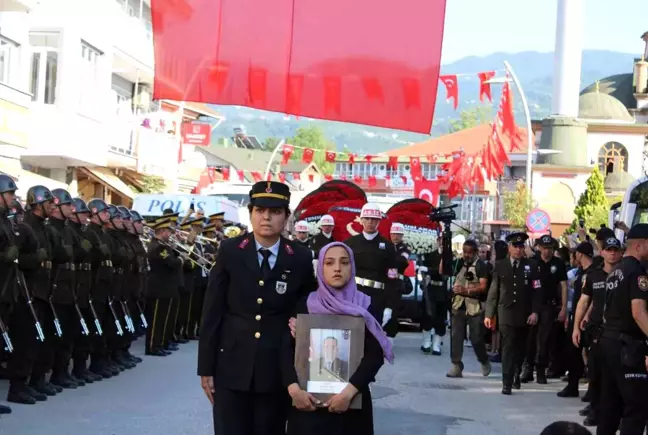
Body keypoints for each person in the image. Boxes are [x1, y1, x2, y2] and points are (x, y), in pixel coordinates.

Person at [198, 181, 317, 435]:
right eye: (260, 210)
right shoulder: (231, 251)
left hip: (276, 368)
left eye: (275, 212)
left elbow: (306, 304)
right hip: (230, 365)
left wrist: (300, 321)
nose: (266, 217)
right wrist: (206, 368)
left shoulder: (300, 257)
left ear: (286, 216)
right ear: (251, 213)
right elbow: (212, 311)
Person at [282, 242, 393, 435]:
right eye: (329, 263)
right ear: (320, 268)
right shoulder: (306, 304)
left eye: (344, 262)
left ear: (352, 267)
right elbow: (285, 350)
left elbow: (374, 355)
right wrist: (294, 391)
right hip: (308, 407)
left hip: (351, 405)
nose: (337, 269)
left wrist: (348, 393)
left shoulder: (365, 304)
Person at [596, 224, 648, 435]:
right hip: (627, 347)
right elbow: (638, 312)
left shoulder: (615, 271)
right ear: (641, 245)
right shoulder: (636, 272)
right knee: (637, 407)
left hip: (608, 342)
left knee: (610, 405)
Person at [572, 238, 622, 427]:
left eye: (615, 250)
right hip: (597, 333)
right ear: (602, 252)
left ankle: (615, 415)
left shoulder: (626, 274)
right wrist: (576, 326)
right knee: (595, 373)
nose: (612, 253)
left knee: (616, 378)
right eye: (608, 250)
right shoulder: (594, 276)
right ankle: (595, 410)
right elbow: (584, 301)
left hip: (617, 332)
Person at [485, 232, 541, 395]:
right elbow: (494, 290)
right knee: (508, 346)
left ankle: (516, 373)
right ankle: (506, 381)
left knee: (520, 347)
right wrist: (489, 313)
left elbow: (537, 291)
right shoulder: (500, 265)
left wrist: (535, 312)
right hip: (506, 312)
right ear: (509, 248)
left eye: (521, 246)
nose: (518, 249)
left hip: (524, 313)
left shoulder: (532, 265)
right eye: (515, 246)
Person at [345, 204, 401, 340]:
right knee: (353, 338)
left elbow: (392, 279)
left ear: (379, 221)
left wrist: (389, 306)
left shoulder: (387, 246)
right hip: (355, 295)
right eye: (367, 218)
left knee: (373, 339)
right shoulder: (350, 243)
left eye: (374, 219)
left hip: (377, 298)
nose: (370, 222)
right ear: (361, 220)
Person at [521, 235, 568, 385]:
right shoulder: (533, 262)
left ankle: (541, 370)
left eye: (550, 248)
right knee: (529, 338)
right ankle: (528, 368)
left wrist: (563, 308)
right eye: (544, 248)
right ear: (539, 247)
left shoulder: (558, 264)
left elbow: (564, 286)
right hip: (532, 305)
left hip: (549, 305)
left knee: (545, 339)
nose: (547, 251)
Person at [447, 239, 491, 378]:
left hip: (474, 305)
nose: (466, 255)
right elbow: (444, 270)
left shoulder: (481, 265)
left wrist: (466, 290)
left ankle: (483, 360)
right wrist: (444, 250)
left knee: (476, 337)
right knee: (456, 336)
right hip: (458, 305)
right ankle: (456, 364)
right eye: (464, 252)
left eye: (469, 252)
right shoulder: (459, 263)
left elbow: (483, 287)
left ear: (475, 252)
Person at [145, 216, 182, 357]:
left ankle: (160, 344)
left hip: (165, 287)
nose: (170, 234)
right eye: (168, 231)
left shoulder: (163, 246)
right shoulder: (158, 247)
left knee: (163, 318)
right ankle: (152, 346)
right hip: (159, 287)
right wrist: (180, 258)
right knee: (156, 320)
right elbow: (172, 263)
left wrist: (176, 250)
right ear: (161, 231)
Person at [418, 235, 448, 355]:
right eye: (441, 240)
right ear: (437, 241)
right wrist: (419, 268)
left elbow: (444, 271)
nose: (442, 243)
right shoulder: (430, 254)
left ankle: (436, 345)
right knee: (428, 315)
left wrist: (429, 270)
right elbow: (421, 268)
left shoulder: (449, 257)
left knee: (440, 318)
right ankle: (426, 342)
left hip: (442, 289)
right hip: (430, 288)